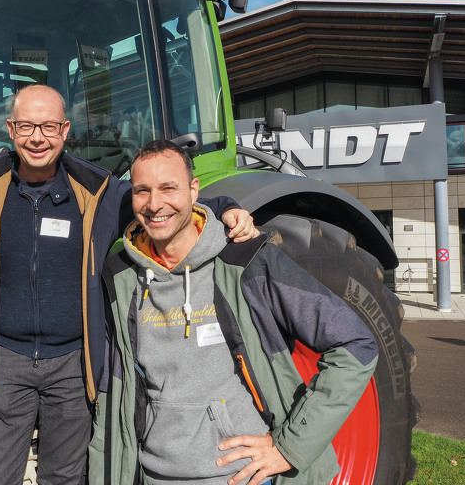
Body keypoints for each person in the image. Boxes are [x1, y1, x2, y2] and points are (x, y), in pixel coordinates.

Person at [0, 85, 257, 485]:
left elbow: (163, 205)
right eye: (27, 126)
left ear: (65, 131)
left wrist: (227, 209)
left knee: (63, 478)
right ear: (10, 130)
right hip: (5, 361)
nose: (37, 138)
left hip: (72, 364)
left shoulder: (96, 192)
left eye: (48, 126)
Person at [90, 139, 379, 485]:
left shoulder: (245, 262)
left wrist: (287, 448)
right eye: (142, 191)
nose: (155, 204)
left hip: (239, 478)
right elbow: (111, 400)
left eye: (169, 188)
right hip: (154, 477)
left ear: (194, 190)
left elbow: (356, 345)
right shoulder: (119, 279)